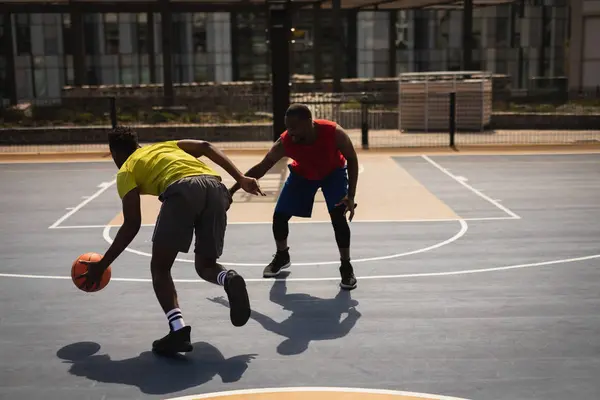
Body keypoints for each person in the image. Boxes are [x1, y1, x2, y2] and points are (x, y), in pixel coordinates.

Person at [77, 126, 265, 355]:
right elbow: (206, 146)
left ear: (115, 153)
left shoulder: (126, 170)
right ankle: (229, 278)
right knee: (205, 265)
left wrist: (103, 264)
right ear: (137, 145)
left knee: (160, 267)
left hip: (183, 189)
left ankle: (178, 331)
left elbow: (132, 223)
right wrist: (240, 178)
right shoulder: (165, 146)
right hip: (215, 187)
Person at [228, 104, 359, 290]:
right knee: (279, 216)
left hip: (333, 174)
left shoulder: (334, 132)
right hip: (303, 175)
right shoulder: (285, 142)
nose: (291, 132)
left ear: (308, 122)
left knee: (338, 216)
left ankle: (346, 266)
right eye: (288, 127)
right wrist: (231, 191)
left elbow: (352, 158)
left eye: (294, 127)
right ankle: (282, 255)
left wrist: (351, 195)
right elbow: (262, 167)